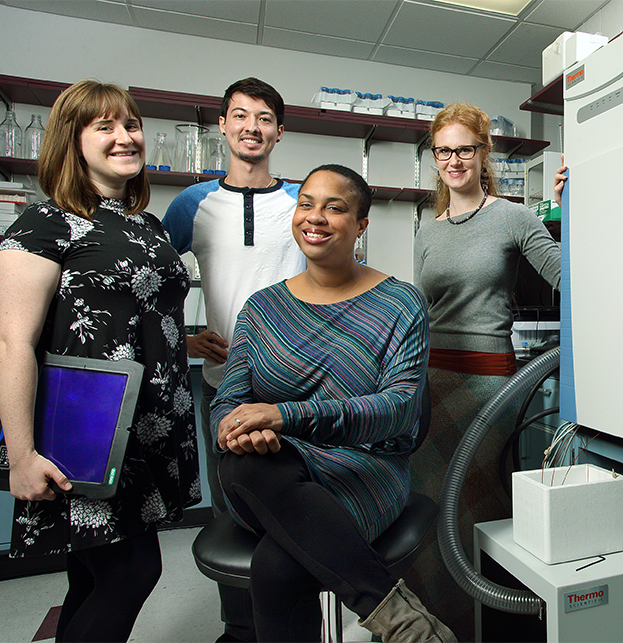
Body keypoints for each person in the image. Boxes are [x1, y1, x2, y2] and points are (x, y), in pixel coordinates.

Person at [211, 164, 455, 643]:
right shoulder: (261, 308)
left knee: (279, 567)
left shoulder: (400, 302)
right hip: (273, 467)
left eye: (334, 207)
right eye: (306, 204)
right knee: (245, 466)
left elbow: (401, 407)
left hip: (364, 470)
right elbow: (229, 400)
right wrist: (236, 428)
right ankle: (408, 625)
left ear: (361, 225)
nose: (315, 217)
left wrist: (284, 415)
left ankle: (402, 624)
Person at [0, 79, 201, 642]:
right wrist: (21, 456)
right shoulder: (46, 223)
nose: (124, 137)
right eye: (104, 127)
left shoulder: (149, 226)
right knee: (134, 572)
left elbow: (151, 310)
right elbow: (13, 342)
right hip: (88, 430)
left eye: (130, 124)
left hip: (151, 428)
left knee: (90, 576)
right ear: (72, 140)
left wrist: (194, 342)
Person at [409, 101, 566, 640]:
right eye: (444, 150)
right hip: (431, 384)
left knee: (479, 512)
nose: (454, 160)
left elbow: (569, 278)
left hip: (488, 389)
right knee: (429, 513)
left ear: (483, 152)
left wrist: (576, 210)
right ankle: (437, 628)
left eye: (465, 149)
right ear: (436, 157)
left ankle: (491, 627)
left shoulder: (514, 217)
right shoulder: (427, 230)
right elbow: (419, 311)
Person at [162, 77, 305, 642]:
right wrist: (184, 337)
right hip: (225, 385)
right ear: (222, 126)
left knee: (298, 499)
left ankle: (293, 619)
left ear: (279, 131)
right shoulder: (192, 204)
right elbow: (150, 285)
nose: (252, 127)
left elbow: (331, 278)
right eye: (240, 116)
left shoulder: (302, 202)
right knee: (233, 507)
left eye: (265, 117)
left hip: (296, 384)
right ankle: (241, 626)